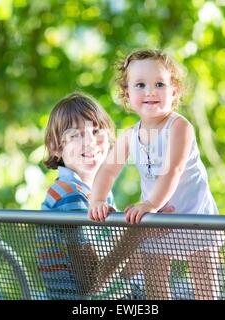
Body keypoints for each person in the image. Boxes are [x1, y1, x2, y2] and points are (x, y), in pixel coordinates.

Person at [88, 49, 222, 300]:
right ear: (127, 95)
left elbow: (174, 169)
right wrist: (97, 200)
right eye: (140, 85)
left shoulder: (179, 127)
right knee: (156, 291)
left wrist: (150, 203)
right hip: (157, 222)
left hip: (195, 218)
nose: (150, 91)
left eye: (159, 84)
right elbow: (107, 169)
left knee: (206, 292)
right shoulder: (129, 136)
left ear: (174, 91)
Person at [39, 92, 153, 299]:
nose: (90, 142)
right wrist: (136, 233)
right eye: (76, 135)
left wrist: (141, 230)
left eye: (97, 131)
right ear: (55, 147)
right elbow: (90, 284)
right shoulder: (69, 195)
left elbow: (119, 258)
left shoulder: (98, 192)